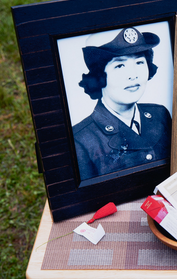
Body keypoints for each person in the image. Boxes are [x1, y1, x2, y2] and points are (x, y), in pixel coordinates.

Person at [73, 27, 171, 180]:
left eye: (139, 62)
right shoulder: (80, 140)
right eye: (119, 65)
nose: (133, 75)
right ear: (99, 76)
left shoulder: (160, 114)